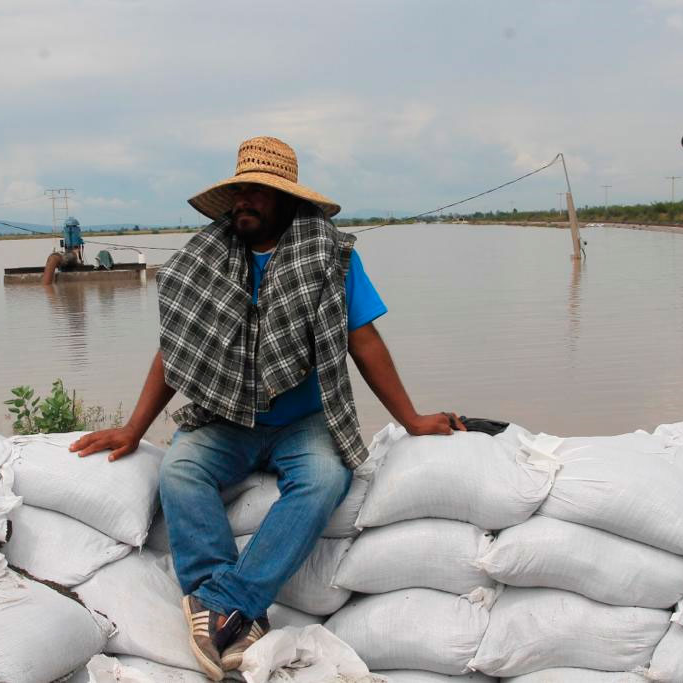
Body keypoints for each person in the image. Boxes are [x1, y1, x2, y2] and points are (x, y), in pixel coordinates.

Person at [70, 136, 464, 679]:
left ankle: (225, 602)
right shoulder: (206, 259)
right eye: (240, 191)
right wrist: (135, 429)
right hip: (226, 418)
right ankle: (229, 608)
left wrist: (411, 420)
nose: (245, 201)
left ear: (286, 199)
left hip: (303, 421)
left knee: (327, 480)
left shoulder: (330, 255)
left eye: (259, 191)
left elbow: (364, 341)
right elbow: (175, 350)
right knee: (180, 473)